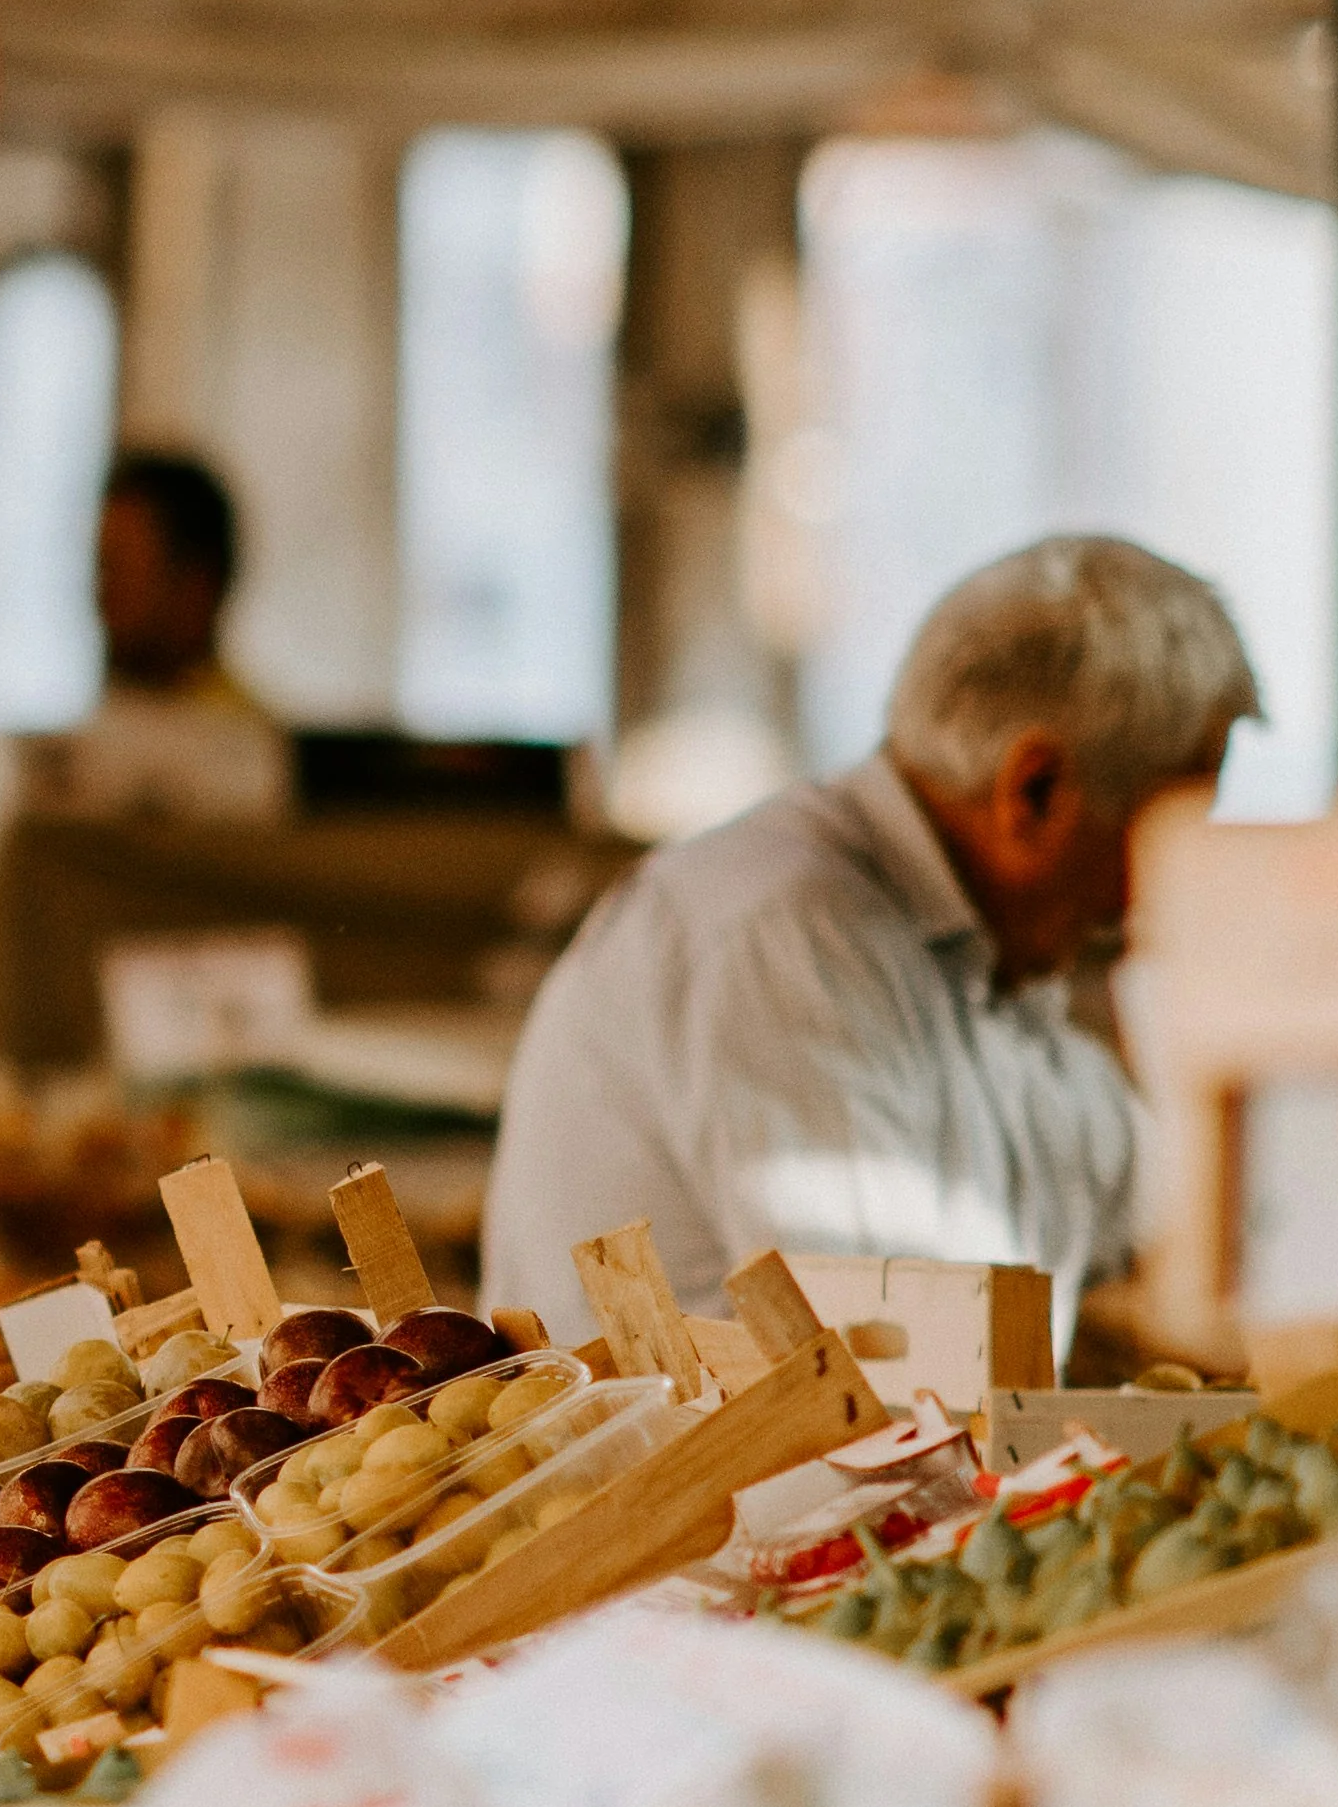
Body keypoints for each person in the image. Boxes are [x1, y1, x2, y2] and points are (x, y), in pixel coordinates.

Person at [486, 534, 1262, 1312]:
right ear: (1035, 790)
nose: (1165, 888)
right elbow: (899, 1364)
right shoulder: (784, 937)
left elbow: (1166, 1204)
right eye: (1174, 827)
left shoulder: (986, 962)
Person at [25, 445, 290, 823]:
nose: (101, 599)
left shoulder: (246, 760)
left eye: (121, 570)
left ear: (196, 588)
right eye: (100, 571)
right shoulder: (89, 740)